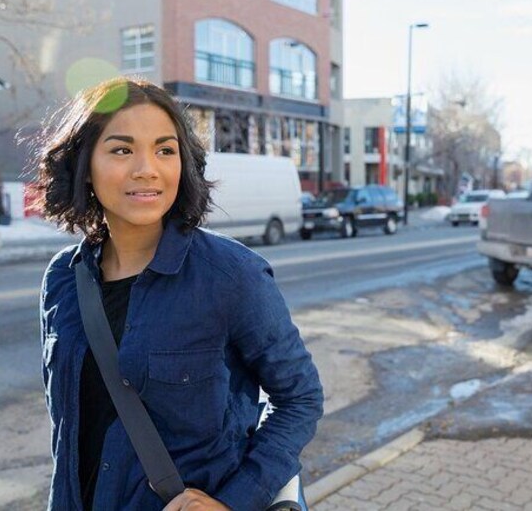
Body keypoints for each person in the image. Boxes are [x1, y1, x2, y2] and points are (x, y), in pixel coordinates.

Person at [35, 77, 324, 510]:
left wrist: (235, 500)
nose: (147, 168)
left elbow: (300, 397)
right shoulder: (63, 278)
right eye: (122, 149)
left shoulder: (230, 275)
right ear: (84, 163)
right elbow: (71, 431)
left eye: (165, 150)